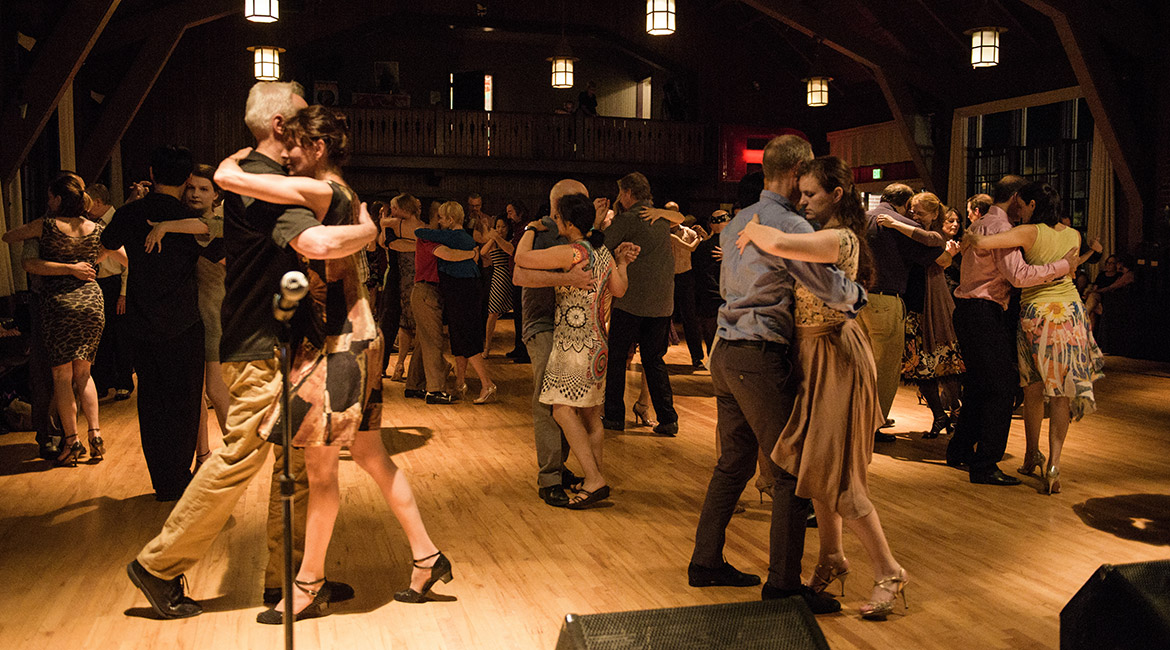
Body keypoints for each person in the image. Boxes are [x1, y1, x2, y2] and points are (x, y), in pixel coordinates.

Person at [125, 81, 368, 620]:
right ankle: (158, 565)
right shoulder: (264, 181)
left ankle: (292, 581)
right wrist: (366, 230)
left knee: (298, 463)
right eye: (304, 118)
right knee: (239, 458)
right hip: (262, 342)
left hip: (272, 336)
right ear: (282, 127)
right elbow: (314, 245)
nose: (312, 126)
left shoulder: (258, 174)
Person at [211, 104, 451, 622]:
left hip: (337, 344)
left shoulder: (324, 190)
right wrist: (367, 227)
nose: (286, 155)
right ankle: (427, 558)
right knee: (372, 458)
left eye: (294, 145)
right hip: (353, 336)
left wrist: (232, 165)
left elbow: (233, 179)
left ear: (318, 148)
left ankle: (307, 584)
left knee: (320, 476)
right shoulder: (344, 194)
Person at [689, 135, 865, 616]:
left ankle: (705, 562)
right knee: (790, 470)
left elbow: (728, 283)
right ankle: (784, 586)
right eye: (805, 183)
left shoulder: (739, 221)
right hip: (757, 356)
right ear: (797, 173)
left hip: (726, 352)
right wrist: (856, 297)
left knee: (734, 462)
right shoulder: (791, 224)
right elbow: (823, 285)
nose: (807, 192)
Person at [735, 155, 907, 620]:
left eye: (810, 194)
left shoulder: (840, 238)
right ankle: (831, 555)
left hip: (836, 356)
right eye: (801, 192)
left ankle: (889, 570)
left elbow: (777, 240)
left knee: (843, 475)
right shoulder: (820, 234)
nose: (803, 201)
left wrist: (753, 228)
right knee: (814, 469)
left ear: (837, 195)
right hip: (813, 356)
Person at [965, 181, 1104, 494]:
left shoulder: (1031, 232)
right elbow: (1069, 269)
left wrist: (972, 233)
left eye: (1024, 206)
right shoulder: (1073, 234)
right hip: (1071, 314)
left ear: (1030, 205)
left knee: (1033, 388)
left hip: (1039, 315)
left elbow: (990, 241)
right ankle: (1053, 465)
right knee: (1062, 392)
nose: (1020, 211)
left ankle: (1031, 455)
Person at [946, 174, 1078, 485]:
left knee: (980, 384)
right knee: (1003, 388)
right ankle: (985, 464)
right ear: (1017, 198)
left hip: (969, 310)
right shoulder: (1003, 228)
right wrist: (1062, 267)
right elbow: (1018, 275)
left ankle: (960, 449)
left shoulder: (980, 223)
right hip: (983, 311)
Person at [516, 192, 634, 508]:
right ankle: (593, 477)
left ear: (569, 223)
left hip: (574, 343)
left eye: (558, 218)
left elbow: (522, 259)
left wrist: (528, 229)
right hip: (598, 343)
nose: (555, 222)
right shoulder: (603, 252)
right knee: (592, 417)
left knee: (561, 409)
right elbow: (619, 290)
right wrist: (622, 263)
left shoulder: (574, 252)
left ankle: (594, 479)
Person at [3, 172, 126, 466]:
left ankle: (71, 442)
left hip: (59, 305)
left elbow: (9, 237)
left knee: (61, 376)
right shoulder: (95, 227)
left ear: (57, 199)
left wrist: (66, 265)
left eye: (50, 196)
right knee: (84, 375)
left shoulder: (45, 226)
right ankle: (95, 434)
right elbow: (123, 256)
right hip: (92, 303)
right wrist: (93, 259)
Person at [512, 180, 600, 507]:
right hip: (543, 323)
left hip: (569, 329)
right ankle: (550, 477)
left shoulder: (574, 236)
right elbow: (520, 274)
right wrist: (567, 279)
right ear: (562, 207)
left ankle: (559, 469)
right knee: (547, 401)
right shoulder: (541, 231)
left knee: (563, 401)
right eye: (580, 201)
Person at [146, 165, 230, 473]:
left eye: (203, 189)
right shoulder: (182, 221)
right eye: (191, 187)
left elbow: (208, 229)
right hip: (184, 317)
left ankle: (235, 455)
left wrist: (165, 226)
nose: (195, 193)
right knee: (193, 394)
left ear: (216, 194)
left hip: (213, 315)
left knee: (215, 390)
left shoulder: (219, 220)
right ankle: (204, 456)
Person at [858, 183, 943, 443]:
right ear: (905, 204)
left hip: (856, 299)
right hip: (885, 298)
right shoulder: (897, 221)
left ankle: (857, 419)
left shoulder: (862, 218)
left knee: (863, 364)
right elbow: (934, 249)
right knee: (886, 368)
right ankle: (873, 425)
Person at [875, 192, 964, 438]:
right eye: (912, 211)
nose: (913, 215)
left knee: (943, 358)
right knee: (920, 364)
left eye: (920, 213)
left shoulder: (930, 236)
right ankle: (940, 415)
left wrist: (895, 223)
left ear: (935, 214)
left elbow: (939, 252)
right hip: (915, 301)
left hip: (931, 301)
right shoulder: (912, 233)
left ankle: (954, 413)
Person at [602, 172, 678, 435]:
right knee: (654, 359)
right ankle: (668, 419)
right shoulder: (662, 219)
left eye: (620, 193)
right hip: (662, 303)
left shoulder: (629, 219)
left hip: (631, 302)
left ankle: (613, 417)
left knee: (616, 358)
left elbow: (601, 245)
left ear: (628, 194)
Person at [417, 202, 497, 404]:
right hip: (464, 290)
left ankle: (487, 384)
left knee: (466, 338)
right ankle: (460, 383)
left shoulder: (453, 236)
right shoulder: (466, 238)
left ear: (451, 220)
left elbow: (420, 232)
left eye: (442, 218)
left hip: (461, 292)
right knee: (459, 338)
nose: (440, 222)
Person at [86, 183, 134, 401]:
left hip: (117, 283)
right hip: (97, 282)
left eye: (87, 201)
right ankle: (103, 384)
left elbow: (129, 263)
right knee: (101, 336)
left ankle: (124, 382)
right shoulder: (89, 224)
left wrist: (124, 292)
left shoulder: (120, 219)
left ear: (96, 201)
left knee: (121, 335)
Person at [381, 193, 424, 381]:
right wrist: (412, 244)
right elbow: (386, 243)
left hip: (417, 280)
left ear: (405, 208)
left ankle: (416, 370)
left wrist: (405, 244)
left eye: (395, 208)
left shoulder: (424, 228)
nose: (392, 211)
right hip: (399, 279)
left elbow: (418, 249)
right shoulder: (394, 224)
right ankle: (399, 366)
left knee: (417, 326)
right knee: (403, 325)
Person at [481, 215, 515, 357]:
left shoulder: (512, 240)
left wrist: (497, 237)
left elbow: (510, 250)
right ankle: (487, 347)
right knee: (493, 312)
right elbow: (483, 252)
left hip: (511, 275)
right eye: (498, 226)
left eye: (503, 227)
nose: (500, 230)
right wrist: (492, 237)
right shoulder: (494, 240)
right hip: (499, 275)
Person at [504, 200, 531, 362]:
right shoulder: (516, 228)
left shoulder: (526, 229)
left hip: (523, 278)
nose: (508, 215)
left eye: (510, 212)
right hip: (516, 276)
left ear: (519, 212)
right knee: (518, 315)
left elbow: (514, 251)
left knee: (522, 315)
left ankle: (525, 351)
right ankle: (518, 347)